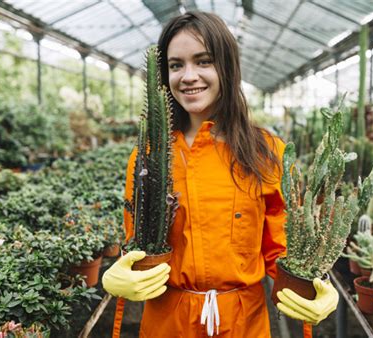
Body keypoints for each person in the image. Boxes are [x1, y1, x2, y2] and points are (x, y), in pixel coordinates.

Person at [102, 11, 338, 338]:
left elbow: (283, 249)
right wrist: (117, 273)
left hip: (243, 322)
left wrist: (318, 283)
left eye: (203, 61)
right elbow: (137, 241)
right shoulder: (150, 154)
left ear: (226, 67)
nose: (188, 76)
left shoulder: (267, 152)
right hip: (168, 322)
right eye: (175, 65)